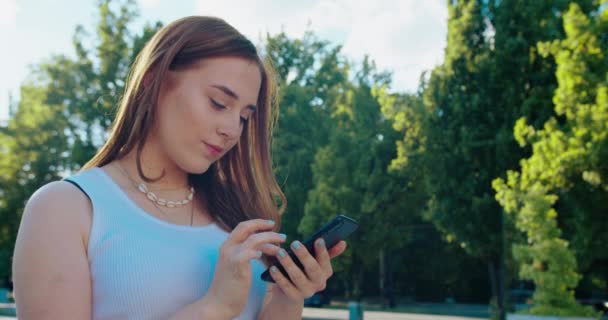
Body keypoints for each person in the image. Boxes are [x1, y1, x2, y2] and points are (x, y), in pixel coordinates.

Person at [11, 16, 347, 319]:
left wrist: (287, 299)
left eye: (244, 117)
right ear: (154, 82)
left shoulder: (239, 216)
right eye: (219, 103)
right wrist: (211, 309)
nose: (232, 129)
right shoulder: (64, 209)